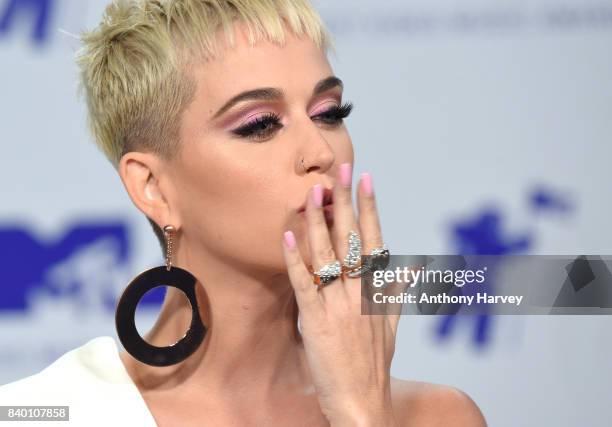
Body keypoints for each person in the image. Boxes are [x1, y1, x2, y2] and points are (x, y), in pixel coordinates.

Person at [0, 1, 487, 426]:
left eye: (330, 113)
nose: (319, 150)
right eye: (259, 125)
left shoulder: (436, 417)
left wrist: (363, 415)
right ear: (152, 186)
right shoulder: (45, 411)